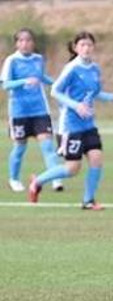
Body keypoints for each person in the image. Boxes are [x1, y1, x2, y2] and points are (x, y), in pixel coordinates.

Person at [28, 31, 113, 210]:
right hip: (70, 125)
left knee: (96, 159)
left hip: (88, 124)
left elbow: (95, 94)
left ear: (93, 47)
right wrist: (76, 106)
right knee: (72, 168)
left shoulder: (95, 69)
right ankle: (37, 182)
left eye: (89, 45)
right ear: (76, 48)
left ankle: (88, 201)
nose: (86, 48)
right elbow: (55, 91)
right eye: (82, 45)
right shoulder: (72, 68)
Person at [1, 28, 64, 193]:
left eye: (28, 40)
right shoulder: (12, 61)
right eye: (21, 40)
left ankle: (55, 179)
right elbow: (5, 84)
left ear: (33, 43)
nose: (25, 44)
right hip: (19, 112)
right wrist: (24, 81)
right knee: (20, 147)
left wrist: (58, 84)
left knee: (48, 147)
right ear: (16, 43)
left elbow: (42, 77)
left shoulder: (38, 59)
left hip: (40, 110)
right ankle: (14, 179)